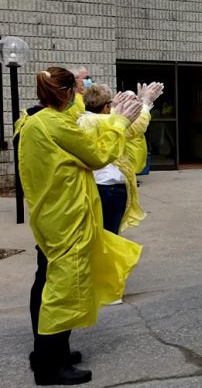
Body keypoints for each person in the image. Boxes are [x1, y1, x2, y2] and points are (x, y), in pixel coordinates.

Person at [17, 67, 143, 385]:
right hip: (66, 217)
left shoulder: (37, 120)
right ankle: (48, 366)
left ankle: (53, 351)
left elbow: (75, 117)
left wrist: (80, 90)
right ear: (69, 93)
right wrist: (120, 120)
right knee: (62, 289)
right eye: (78, 87)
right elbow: (99, 154)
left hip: (49, 214)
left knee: (48, 280)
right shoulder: (56, 125)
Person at [79, 82, 164, 235]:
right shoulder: (106, 121)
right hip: (109, 187)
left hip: (93, 184)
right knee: (109, 233)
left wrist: (123, 105)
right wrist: (146, 102)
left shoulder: (83, 120)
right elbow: (136, 127)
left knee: (97, 231)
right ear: (106, 106)